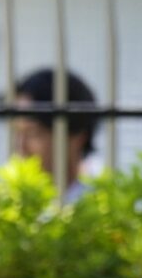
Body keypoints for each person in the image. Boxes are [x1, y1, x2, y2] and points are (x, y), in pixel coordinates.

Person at [8, 68, 98, 204]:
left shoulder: (101, 207)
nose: (21, 146)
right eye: (17, 132)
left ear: (77, 137)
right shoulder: (6, 204)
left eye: (33, 133)